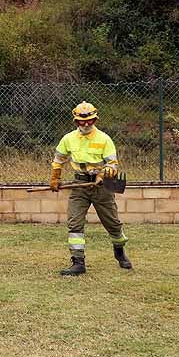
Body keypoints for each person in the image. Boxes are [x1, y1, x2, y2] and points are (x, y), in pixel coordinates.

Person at [49, 102, 131, 275]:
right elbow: (58, 159)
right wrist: (55, 178)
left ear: (95, 119)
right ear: (76, 121)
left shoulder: (104, 139)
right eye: (81, 121)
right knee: (74, 223)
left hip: (102, 187)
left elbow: (113, 164)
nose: (86, 124)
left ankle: (119, 252)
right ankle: (78, 262)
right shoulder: (68, 139)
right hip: (79, 185)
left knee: (113, 224)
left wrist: (102, 176)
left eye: (89, 121)